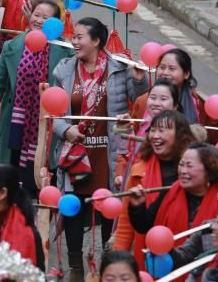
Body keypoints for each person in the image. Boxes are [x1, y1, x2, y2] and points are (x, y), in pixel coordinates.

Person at [51, 17, 147, 280]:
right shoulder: (64, 69)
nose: (74, 41)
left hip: (108, 152)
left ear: (96, 41)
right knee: (73, 207)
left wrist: (139, 80)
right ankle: (75, 267)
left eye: (80, 36)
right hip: (76, 152)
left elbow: (140, 100)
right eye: (74, 36)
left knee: (109, 210)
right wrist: (65, 130)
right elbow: (54, 111)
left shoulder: (119, 68)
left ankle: (108, 268)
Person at [0, 0, 72, 194]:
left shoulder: (66, 51)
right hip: (16, 123)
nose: (39, 21)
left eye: (46, 17)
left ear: (55, 23)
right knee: (12, 172)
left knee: (42, 173)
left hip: (46, 125)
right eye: (36, 15)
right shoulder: (12, 46)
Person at [112, 110, 196, 264]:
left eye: (162, 131)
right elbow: (127, 224)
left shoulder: (193, 173)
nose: (155, 136)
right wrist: (118, 261)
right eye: (153, 130)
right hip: (148, 255)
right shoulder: (139, 171)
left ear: (181, 136)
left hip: (188, 256)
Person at [128, 142, 218, 259]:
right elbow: (144, 226)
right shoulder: (170, 193)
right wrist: (137, 206)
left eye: (189, 166)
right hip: (169, 266)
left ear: (209, 169)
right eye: (181, 164)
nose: (183, 171)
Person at [156, 48, 218, 143]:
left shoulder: (197, 103)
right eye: (162, 67)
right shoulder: (146, 99)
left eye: (171, 69)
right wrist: (138, 81)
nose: (165, 73)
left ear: (186, 74)